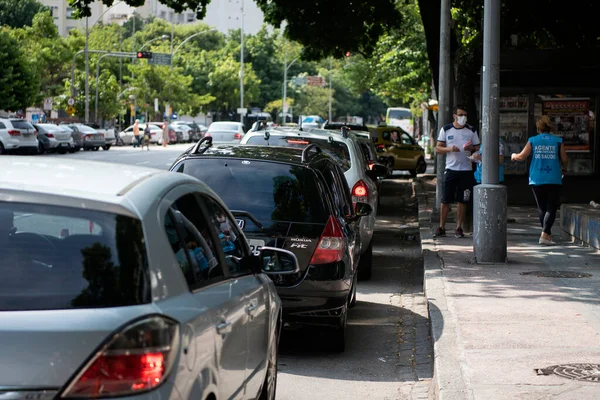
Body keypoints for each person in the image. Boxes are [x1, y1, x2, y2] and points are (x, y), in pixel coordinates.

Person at [511, 115, 568, 245]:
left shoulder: (533, 140)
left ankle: (546, 235)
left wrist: (514, 156)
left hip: (536, 178)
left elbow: (522, 156)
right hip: (553, 178)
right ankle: (545, 234)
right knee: (551, 207)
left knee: (542, 208)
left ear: (538, 128)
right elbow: (564, 159)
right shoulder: (558, 141)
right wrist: (564, 169)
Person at [435, 105, 481, 238]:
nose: (463, 118)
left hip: (466, 170)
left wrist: (471, 148)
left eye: (465, 115)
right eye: (461, 115)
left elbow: (477, 147)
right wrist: (449, 149)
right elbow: (438, 148)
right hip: (450, 169)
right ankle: (441, 227)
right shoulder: (446, 129)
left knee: (463, 200)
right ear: (454, 116)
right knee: (445, 199)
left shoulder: (471, 130)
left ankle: (458, 227)